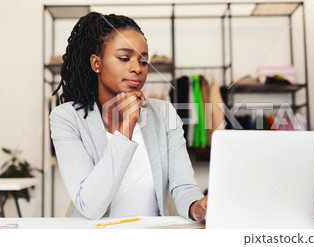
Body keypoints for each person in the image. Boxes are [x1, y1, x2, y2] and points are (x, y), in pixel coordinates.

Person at [50, 12, 207, 221]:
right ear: (96, 63)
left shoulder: (164, 113)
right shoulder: (67, 118)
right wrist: (126, 128)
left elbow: (183, 186)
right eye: (124, 58)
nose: (137, 68)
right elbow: (90, 205)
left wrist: (197, 207)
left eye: (143, 61)